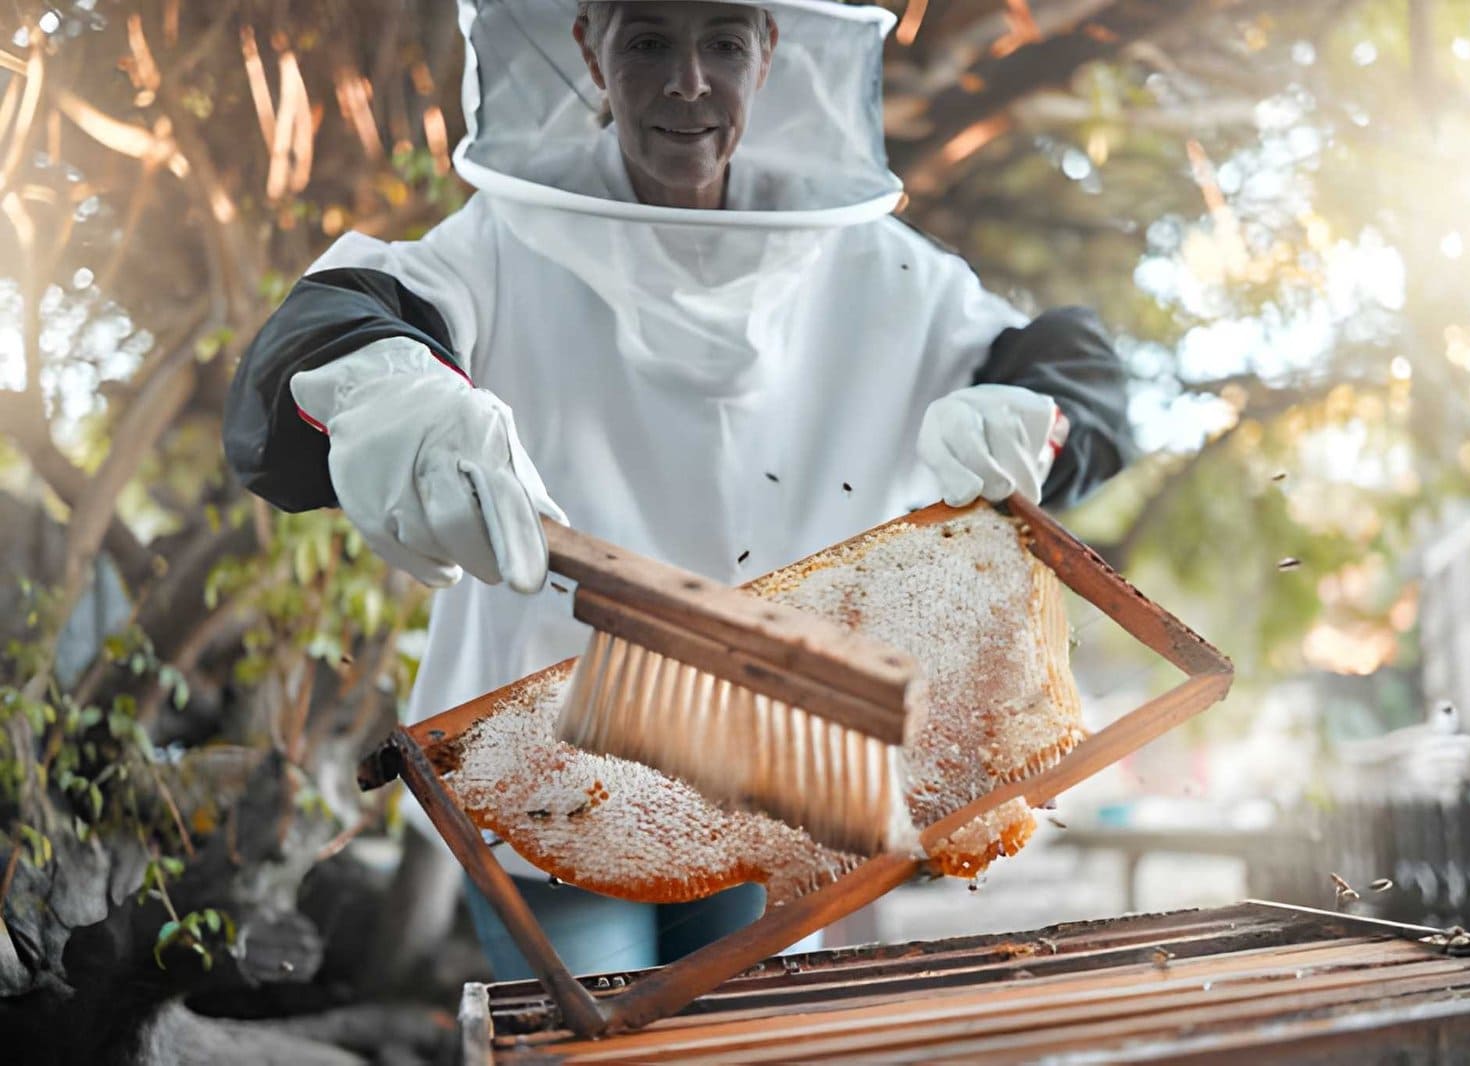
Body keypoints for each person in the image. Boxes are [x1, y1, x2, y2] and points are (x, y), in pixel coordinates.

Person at [224, 0, 1134, 980]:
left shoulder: (869, 260)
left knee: (746, 1034)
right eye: (649, 39)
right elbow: (335, 321)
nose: (687, 81)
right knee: (603, 1032)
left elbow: (1067, 364)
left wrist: (1029, 409)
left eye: (723, 41)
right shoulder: (505, 237)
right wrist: (386, 385)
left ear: (770, 50)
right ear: (588, 46)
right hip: (551, 759)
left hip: (775, 761)